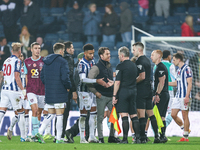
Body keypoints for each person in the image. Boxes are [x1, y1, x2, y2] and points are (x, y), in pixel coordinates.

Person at [36, 43, 71, 144]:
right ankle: (59, 138)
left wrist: (49, 85)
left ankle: (39, 131)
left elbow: (42, 77)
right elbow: (65, 77)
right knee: (60, 115)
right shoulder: (63, 62)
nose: (63, 52)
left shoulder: (46, 61)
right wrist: (68, 87)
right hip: (60, 91)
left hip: (49, 91)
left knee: (51, 114)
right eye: (63, 51)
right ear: (61, 51)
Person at [87, 47, 121, 143]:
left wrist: (113, 84)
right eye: (107, 54)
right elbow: (89, 81)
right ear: (101, 56)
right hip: (101, 96)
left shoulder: (109, 66)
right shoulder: (96, 67)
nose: (109, 55)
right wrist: (96, 93)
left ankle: (111, 136)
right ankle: (101, 138)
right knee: (100, 118)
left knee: (115, 115)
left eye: (109, 53)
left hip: (110, 95)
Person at [77, 44, 106, 143]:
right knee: (83, 115)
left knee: (94, 114)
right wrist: (96, 81)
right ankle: (81, 138)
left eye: (93, 53)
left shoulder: (93, 62)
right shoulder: (82, 64)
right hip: (84, 92)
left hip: (92, 91)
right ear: (85, 53)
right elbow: (83, 79)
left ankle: (92, 136)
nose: (92, 55)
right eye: (90, 53)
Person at [132, 42, 160, 143]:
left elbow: (142, 76)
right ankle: (157, 136)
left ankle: (142, 137)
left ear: (139, 50)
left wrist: (132, 82)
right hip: (149, 90)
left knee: (141, 115)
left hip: (142, 90)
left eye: (134, 50)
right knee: (151, 114)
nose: (133, 52)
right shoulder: (147, 60)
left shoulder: (139, 61)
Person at [112, 46, 140, 144]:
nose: (119, 57)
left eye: (119, 55)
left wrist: (114, 95)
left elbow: (117, 82)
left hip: (124, 92)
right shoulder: (134, 65)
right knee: (133, 115)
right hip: (133, 91)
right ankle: (137, 138)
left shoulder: (120, 66)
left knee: (124, 116)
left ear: (122, 55)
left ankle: (125, 139)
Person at [0, 43, 26, 141]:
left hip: (4, 89)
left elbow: (1, 75)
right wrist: (23, 89)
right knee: (21, 112)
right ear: (20, 52)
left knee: (1, 112)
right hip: (14, 90)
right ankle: (23, 136)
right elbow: (17, 77)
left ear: (11, 51)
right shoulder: (18, 61)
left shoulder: (6, 60)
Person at [24, 42, 45, 141]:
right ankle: (35, 133)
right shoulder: (26, 61)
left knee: (39, 112)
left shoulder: (44, 61)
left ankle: (34, 134)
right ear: (31, 50)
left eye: (39, 48)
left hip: (42, 90)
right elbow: (25, 76)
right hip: (31, 90)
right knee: (35, 110)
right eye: (36, 48)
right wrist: (26, 90)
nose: (38, 50)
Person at [56, 41, 77, 139]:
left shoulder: (59, 59)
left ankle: (57, 134)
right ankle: (61, 134)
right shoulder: (69, 59)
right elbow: (70, 75)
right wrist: (73, 90)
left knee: (59, 113)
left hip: (58, 88)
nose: (73, 50)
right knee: (65, 112)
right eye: (72, 48)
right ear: (67, 49)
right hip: (66, 90)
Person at [169, 53, 192, 142]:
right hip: (178, 95)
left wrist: (187, 96)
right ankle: (185, 128)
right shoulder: (178, 70)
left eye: (174, 60)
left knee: (185, 115)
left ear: (179, 60)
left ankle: (185, 137)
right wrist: (166, 83)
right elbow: (176, 83)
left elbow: (189, 83)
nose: (173, 61)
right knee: (173, 114)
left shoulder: (187, 69)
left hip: (184, 96)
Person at [151, 50, 169, 143]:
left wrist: (157, 94)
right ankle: (162, 136)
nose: (151, 57)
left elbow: (162, 81)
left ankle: (158, 136)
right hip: (165, 94)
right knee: (161, 116)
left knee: (154, 115)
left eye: (152, 55)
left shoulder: (160, 67)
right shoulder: (160, 67)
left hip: (161, 94)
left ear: (158, 56)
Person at [156, 50, 176, 127]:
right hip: (169, 91)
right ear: (168, 56)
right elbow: (174, 80)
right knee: (171, 113)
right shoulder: (171, 65)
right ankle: (162, 128)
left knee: (159, 112)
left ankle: (158, 131)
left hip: (158, 91)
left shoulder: (156, 65)